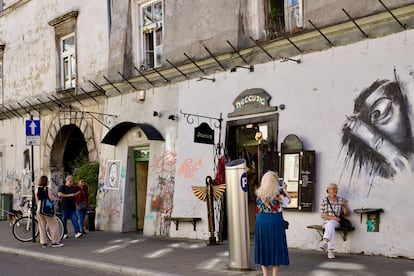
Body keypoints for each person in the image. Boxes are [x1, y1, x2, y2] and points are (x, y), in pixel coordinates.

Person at [254, 171, 290, 276]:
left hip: (261, 221)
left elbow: (259, 207)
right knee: (275, 247)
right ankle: (275, 274)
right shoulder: (279, 192)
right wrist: (285, 190)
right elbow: (287, 202)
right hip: (275, 220)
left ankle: (265, 274)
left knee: (264, 247)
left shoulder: (259, 192)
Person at [320, 183, 350, 259]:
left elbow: (346, 214)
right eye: (333, 189)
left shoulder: (340, 200)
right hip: (327, 222)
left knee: (331, 224)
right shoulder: (324, 200)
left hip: (337, 222)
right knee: (330, 225)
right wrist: (333, 218)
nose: (335, 190)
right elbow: (323, 215)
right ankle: (330, 251)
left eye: (336, 189)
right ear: (328, 190)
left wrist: (344, 206)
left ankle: (325, 242)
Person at [35, 175, 64, 248]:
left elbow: (37, 199)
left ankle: (43, 242)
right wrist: (55, 199)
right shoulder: (47, 188)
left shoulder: (37, 189)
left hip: (39, 208)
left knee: (41, 226)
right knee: (53, 225)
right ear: (46, 181)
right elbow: (51, 198)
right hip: (47, 209)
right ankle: (55, 242)